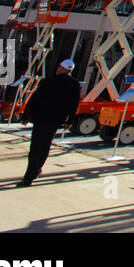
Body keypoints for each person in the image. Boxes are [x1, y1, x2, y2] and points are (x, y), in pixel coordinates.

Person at [18, 58, 81, 187]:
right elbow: (74, 104)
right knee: (45, 146)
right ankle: (36, 170)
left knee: (35, 147)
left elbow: (35, 98)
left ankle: (29, 177)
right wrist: (70, 120)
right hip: (56, 120)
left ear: (62, 68)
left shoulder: (48, 81)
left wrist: (25, 115)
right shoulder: (74, 85)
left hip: (41, 118)